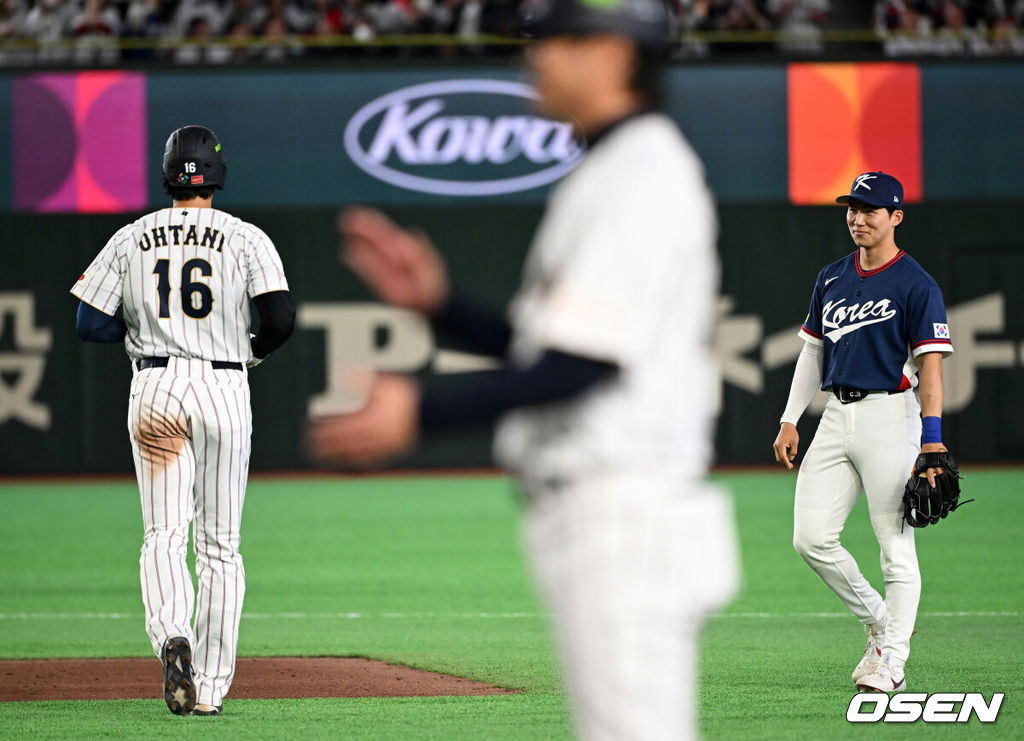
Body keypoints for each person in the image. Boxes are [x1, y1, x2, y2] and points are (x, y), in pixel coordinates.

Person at [308, 1, 740, 738]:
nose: (533, 55)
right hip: (601, 510)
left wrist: (424, 412)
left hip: (623, 511)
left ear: (611, 53)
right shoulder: (613, 167)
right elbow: (559, 349)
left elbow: (580, 368)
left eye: (556, 38)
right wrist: (443, 308)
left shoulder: (644, 173)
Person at [70, 125, 295, 717]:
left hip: (156, 387)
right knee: (220, 546)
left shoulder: (131, 237)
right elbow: (280, 318)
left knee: (163, 534)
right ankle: (212, 691)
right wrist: (247, 350)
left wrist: (146, 333)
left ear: (167, 173)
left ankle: (173, 637)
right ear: (217, 175)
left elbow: (88, 323)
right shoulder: (247, 238)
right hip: (224, 384)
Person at [772, 171, 953, 693]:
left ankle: (890, 660)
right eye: (852, 208)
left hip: (891, 417)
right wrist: (789, 417)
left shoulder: (917, 285)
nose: (858, 217)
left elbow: (932, 367)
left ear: (896, 217)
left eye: (870, 209)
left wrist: (932, 439)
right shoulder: (831, 277)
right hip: (835, 415)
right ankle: (880, 620)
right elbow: (812, 350)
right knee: (810, 539)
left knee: (895, 549)